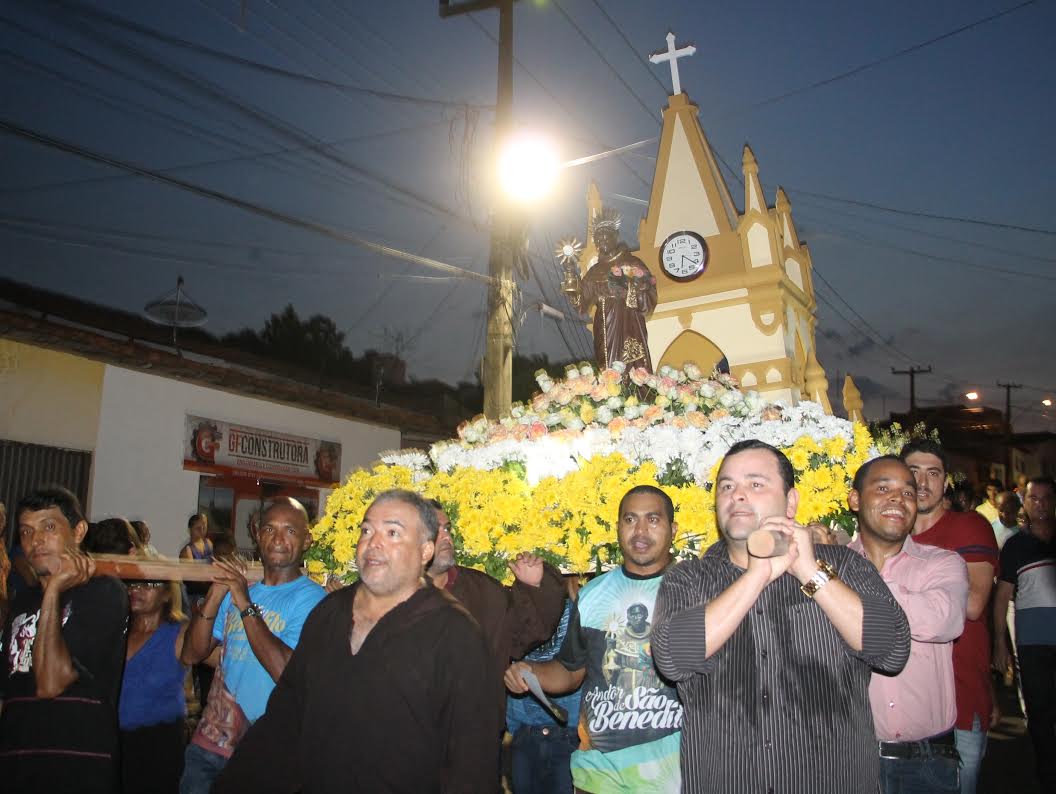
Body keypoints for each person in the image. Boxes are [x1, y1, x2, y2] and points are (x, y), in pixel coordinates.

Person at [650, 440, 910, 794]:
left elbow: (892, 649)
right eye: (727, 486)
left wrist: (809, 571)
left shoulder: (845, 566)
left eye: (755, 484)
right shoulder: (689, 578)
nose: (737, 495)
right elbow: (672, 659)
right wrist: (756, 576)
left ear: (791, 502)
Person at [214, 489, 499, 792]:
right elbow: (285, 719)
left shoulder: (453, 633)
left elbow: (472, 760)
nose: (374, 543)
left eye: (392, 532)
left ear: (425, 551)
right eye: (367, 530)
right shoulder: (331, 614)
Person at [505, 485, 684, 793]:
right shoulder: (593, 594)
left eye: (653, 519)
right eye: (630, 519)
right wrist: (529, 672)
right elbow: (570, 671)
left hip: (672, 777)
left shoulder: (694, 590)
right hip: (598, 778)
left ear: (673, 529)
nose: (640, 530)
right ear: (618, 528)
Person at [178, 497, 325, 793]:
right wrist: (217, 593)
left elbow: (286, 672)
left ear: (307, 540)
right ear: (257, 535)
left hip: (264, 751)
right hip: (209, 746)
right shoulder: (237, 588)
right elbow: (192, 654)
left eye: (290, 531)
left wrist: (244, 602)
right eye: (269, 529)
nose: (278, 539)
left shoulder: (313, 599)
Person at [847, 455, 968, 793]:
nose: (897, 500)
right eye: (883, 488)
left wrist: (846, 578)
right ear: (855, 499)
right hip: (853, 761)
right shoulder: (830, 566)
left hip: (927, 762)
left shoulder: (941, 563)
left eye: (908, 493)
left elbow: (944, 620)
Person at [0, 486, 129, 792]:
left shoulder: (105, 593)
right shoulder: (22, 603)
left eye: (49, 527)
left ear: (79, 531)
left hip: (75, 767)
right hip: (16, 764)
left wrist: (54, 590)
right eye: (26, 531)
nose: (36, 541)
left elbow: (50, 683)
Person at [901, 440, 999, 793]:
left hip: (958, 694)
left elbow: (973, 604)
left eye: (933, 474)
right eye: (913, 472)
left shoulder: (968, 526)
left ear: (945, 483)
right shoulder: (887, 535)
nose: (923, 483)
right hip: (901, 701)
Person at [426, 498, 565, 716]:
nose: (446, 537)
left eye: (447, 528)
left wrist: (534, 586)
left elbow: (523, 634)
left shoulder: (480, 589)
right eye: (434, 529)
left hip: (473, 729)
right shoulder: (378, 595)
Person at [992, 476, 1056, 791]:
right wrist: (1000, 642)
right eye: (1034, 499)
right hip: (1033, 644)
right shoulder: (1015, 545)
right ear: (1025, 504)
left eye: (1046, 499)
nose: (1040, 505)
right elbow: (1002, 597)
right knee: (1040, 715)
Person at [506, 576, 583, 794]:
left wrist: (577, 596)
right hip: (524, 733)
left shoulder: (579, 605)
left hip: (568, 734)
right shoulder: (509, 609)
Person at [564, 206, 658, 372]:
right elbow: (582, 302)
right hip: (603, 322)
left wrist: (635, 287)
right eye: (598, 239)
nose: (602, 242)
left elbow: (647, 293)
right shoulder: (595, 271)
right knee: (605, 360)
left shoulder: (631, 263)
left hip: (627, 320)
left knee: (630, 362)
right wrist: (573, 286)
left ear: (615, 237)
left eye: (605, 237)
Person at [120, 573, 190, 794]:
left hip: (160, 743)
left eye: (148, 584)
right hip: (116, 742)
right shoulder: (117, 630)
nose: (136, 589)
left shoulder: (179, 633)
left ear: (167, 594)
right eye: (133, 583)